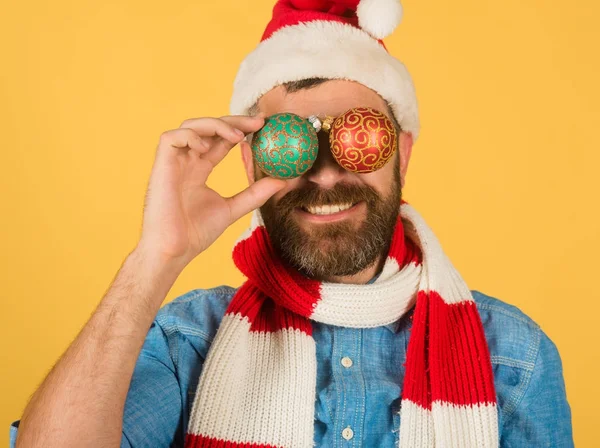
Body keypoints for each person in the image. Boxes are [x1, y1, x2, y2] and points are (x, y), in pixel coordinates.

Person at [10, 0, 574, 447]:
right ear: (253, 159)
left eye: (360, 137)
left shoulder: (512, 360)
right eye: (290, 140)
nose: (325, 176)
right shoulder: (187, 346)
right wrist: (155, 257)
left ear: (401, 154)